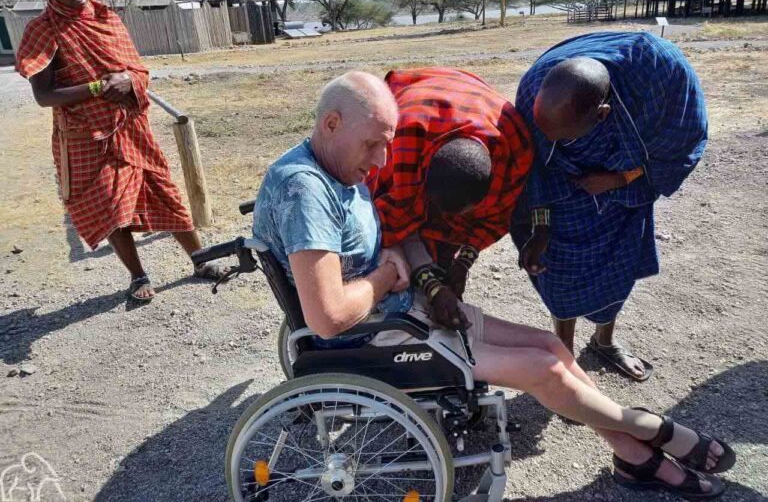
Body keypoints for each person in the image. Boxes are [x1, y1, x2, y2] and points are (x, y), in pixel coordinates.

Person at [252, 70, 733, 498]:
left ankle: (632, 455)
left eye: (386, 145)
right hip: (379, 334)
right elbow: (329, 317)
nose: (381, 163)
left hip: (404, 312)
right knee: (544, 371)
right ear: (331, 123)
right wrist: (384, 274)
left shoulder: (338, 164)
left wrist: (430, 282)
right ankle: (655, 432)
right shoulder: (305, 190)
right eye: (372, 146)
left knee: (549, 344)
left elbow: (402, 237)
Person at [15, 0, 226, 302]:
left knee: (166, 195)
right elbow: (44, 95)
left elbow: (139, 71)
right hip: (86, 137)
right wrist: (99, 87)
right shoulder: (42, 30)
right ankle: (138, 276)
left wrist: (128, 79)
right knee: (113, 209)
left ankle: (200, 262)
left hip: (131, 129)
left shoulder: (106, 18)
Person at [513, 32, 708, 381]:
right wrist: (540, 225)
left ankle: (604, 342)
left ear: (602, 114)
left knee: (617, 270)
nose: (553, 143)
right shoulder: (532, 92)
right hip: (564, 191)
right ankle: (566, 358)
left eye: (565, 136)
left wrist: (622, 178)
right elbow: (537, 164)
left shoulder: (662, 76)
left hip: (626, 191)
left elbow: (683, 144)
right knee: (560, 273)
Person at [367, 67, 533, 329]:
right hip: (423, 103)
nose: (443, 222)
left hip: (469, 101)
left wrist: (462, 263)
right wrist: (431, 284)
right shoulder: (402, 145)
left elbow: (497, 217)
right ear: (425, 183)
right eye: (432, 208)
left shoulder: (514, 153)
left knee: (441, 257)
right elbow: (393, 223)